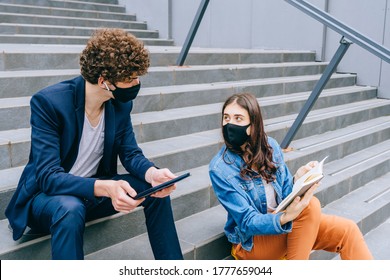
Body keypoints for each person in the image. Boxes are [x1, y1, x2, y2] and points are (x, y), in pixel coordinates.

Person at [5, 28, 183, 260]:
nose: (137, 83)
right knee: (70, 208)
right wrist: (106, 188)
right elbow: (48, 176)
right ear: (103, 81)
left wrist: (152, 174)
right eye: (130, 79)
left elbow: (130, 154)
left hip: (92, 192)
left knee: (156, 191)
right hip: (49, 199)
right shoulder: (50, 103)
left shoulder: (119, 105)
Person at [209, 92, 373, 260]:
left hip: (287, 223)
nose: (230, 124)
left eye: (238, 119)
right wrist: (285, 218)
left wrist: (298, 179)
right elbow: (247, 221)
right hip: (253, 243)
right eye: (226, 118)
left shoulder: (270, 146)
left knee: (348, 231)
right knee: (310, 206)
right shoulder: (220, 169)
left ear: (253, 124)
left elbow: (286, 193)